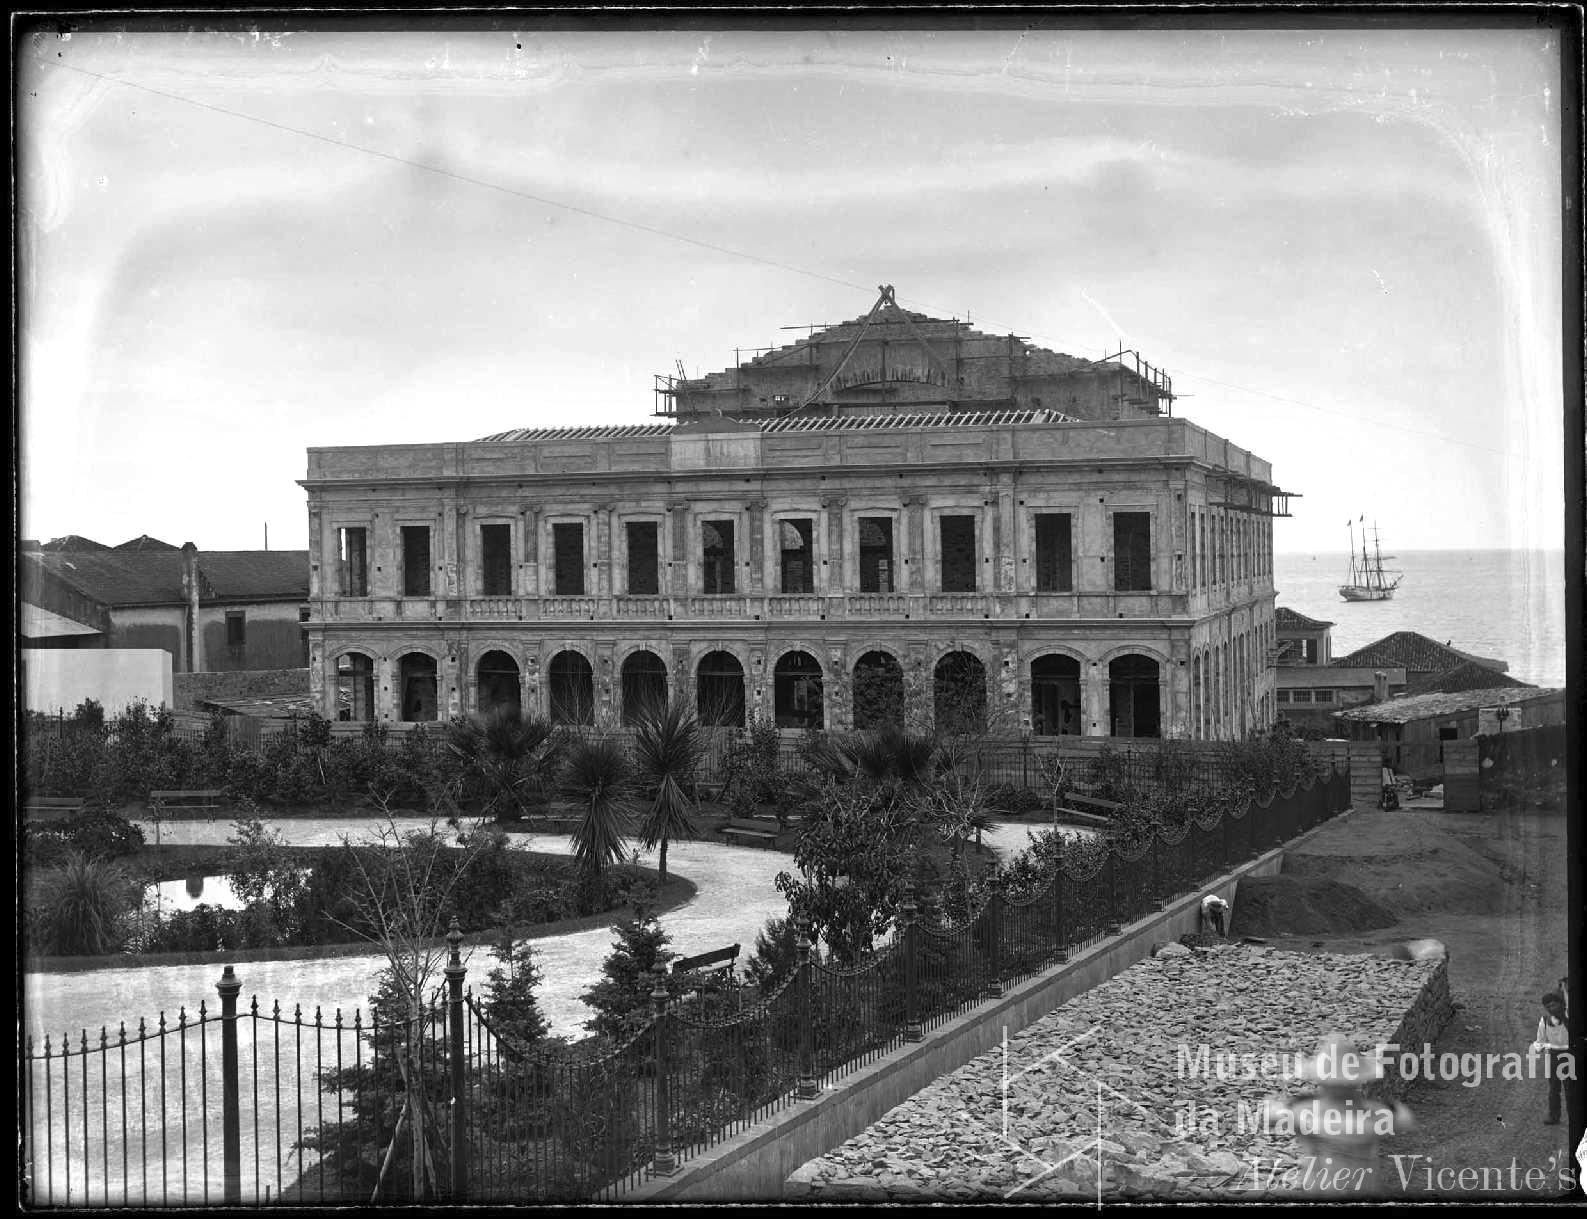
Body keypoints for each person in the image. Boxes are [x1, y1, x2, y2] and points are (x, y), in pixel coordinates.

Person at [1531, 992, 1571, 1125]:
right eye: (1548, 1006)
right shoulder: (1545, 1021)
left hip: (1570, 1055)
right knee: (1554, 1089)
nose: (1551, 1008)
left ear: (1561, 1004)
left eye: (1553, 1005)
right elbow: (1540, 1040)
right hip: (1553, 1056)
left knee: (1571, 1089)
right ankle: (1554, 1116)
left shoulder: (1569, 1017)